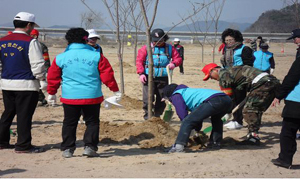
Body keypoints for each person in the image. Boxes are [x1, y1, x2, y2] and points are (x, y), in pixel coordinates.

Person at [47, 28, 121, 158]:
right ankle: (90, 147)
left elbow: (53, 77)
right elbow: (107, 76)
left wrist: (51, 93)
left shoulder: (60, 57)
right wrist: (115, 90)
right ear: (85, 39)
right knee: (92, 122)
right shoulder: (97, 56)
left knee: (69, 122)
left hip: (70, 96)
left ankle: (68, 149)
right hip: (92, 96)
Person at [0, 12, 46, 153]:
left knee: (8, 113)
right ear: (28, 25)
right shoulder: (31, 42)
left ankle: (2, 142)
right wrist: (42, 79)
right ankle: (23, 145)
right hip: (26, 84)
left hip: (6, 83)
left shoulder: (2, 41)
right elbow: (37, 65)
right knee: (24, 115)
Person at [202, 63, 280, 145]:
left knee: (250, 110)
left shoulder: (223, 76)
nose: (212, 79)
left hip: (263, 84)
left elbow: (228, 99)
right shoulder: (232, 71)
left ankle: (253, 137)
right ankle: (253, 134)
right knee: (256, 109)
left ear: (215, 70)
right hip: (271, 81)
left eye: (210, 76)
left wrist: (227, 111)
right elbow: (239, 94)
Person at [163, 83, 232, 153]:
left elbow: (182, 114)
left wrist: (188, 127)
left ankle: (178, 147)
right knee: (216, 119)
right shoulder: (189, 92)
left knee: (187, 121)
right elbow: (198, 116)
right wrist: (196, 130)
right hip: (227, 99)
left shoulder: (176, 95)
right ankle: (215, 143)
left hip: (213, 101)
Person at [136, 28, 182, 120]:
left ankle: (157, 116)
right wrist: (141, 73)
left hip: (164, 77)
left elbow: (178, 59)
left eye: (159, 41)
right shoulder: (146, 48)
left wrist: (174, 63)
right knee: (148, 98)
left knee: (162, 98)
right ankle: (148, 116)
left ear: (164, 39)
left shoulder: (170, 48)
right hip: (148, 77)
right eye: (154, 41)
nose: (157, 43)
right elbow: (139, 61)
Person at [271, 29, 300, 169]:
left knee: (288, 131)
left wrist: (279, 95)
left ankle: (285, 159)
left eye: (296, 38)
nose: (295, 41)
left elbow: (292, 78)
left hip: (297, 100)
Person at [220, 28, 255, 130]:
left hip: (241, 78)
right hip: (228, 78)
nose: (228, 42)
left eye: (230, 40)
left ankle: (238, 121)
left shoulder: (245, 49)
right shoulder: (226, 50)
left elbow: (249, 65)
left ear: (236, 39)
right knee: (230, 99)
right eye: (226, 41)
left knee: (239, 99)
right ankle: (234, 119)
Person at [30, 29, 51, 106]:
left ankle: (42, 100)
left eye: (31, 35)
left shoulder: (41, 46)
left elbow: (46, 59)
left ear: (35, 36)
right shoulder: (27, 44)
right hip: (29, 67)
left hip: (38, 68)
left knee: (37, 85)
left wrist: (47, 69)